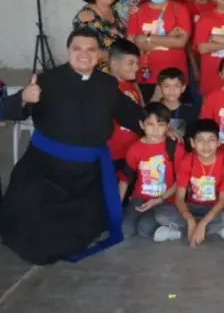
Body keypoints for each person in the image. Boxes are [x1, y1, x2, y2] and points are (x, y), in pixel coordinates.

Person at [0, 28, 145, 264]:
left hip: (86, 175)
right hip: (45, 169)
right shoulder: (46, 80)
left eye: (91, 50)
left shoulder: (107, 84)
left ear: (100, 54)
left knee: (85, 226)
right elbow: (7, 110)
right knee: (31, 224)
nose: (84, 55)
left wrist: (157, 126)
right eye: (77, 49)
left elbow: (131, 114)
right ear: (68, 51)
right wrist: (24, 97)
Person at [151, 118, 224, 244]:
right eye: (200, 140)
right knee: (161, 213)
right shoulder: (187, 161)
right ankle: (214, 229)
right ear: (192, 143)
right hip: (192, 207)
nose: (206, 146)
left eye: (211, 140)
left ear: (219, 142)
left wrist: (202, 223)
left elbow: (222, 200)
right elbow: (179, 198)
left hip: (214, 208)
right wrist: (190, 220)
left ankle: (180, 231)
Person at [128, 0, 193, 101]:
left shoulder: (179, 9)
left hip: (175, 77)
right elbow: (132, 45)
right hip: (145, 76)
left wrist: (147, 39)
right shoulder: (137, 12)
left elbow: (181, 43)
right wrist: (169, 38)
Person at [118, 103, 179, 240]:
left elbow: (181, 180)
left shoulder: (173, 147)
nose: (155, 130)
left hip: (165, 199)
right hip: (140, 199)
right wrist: (116, 207)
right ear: (141, 124)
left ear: (167, 126)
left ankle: (173, 229)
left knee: (145, 229)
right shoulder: (135, 148)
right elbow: (125, 179)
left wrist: (159, 199)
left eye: (161, 125)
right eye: (150, 124)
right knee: (124, 230)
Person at [73, 0, 127, 71]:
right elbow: (86, 52)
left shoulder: (113, 11)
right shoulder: (87, 17)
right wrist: (123, 55)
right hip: (98, 74)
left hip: (118, 70)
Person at [106, 39, 144, 166]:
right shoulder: (105, 88)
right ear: (115, 65)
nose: (137, 68)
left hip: (133, 152)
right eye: (131, 63)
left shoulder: (132, 88)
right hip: (115, 155)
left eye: (137, 63)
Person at [157, 67, 196, 141]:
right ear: (159, 88)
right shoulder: (152, 110)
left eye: (176, 86)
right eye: (166, 86)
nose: (172, 90)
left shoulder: (190, 113)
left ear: (183, 88)